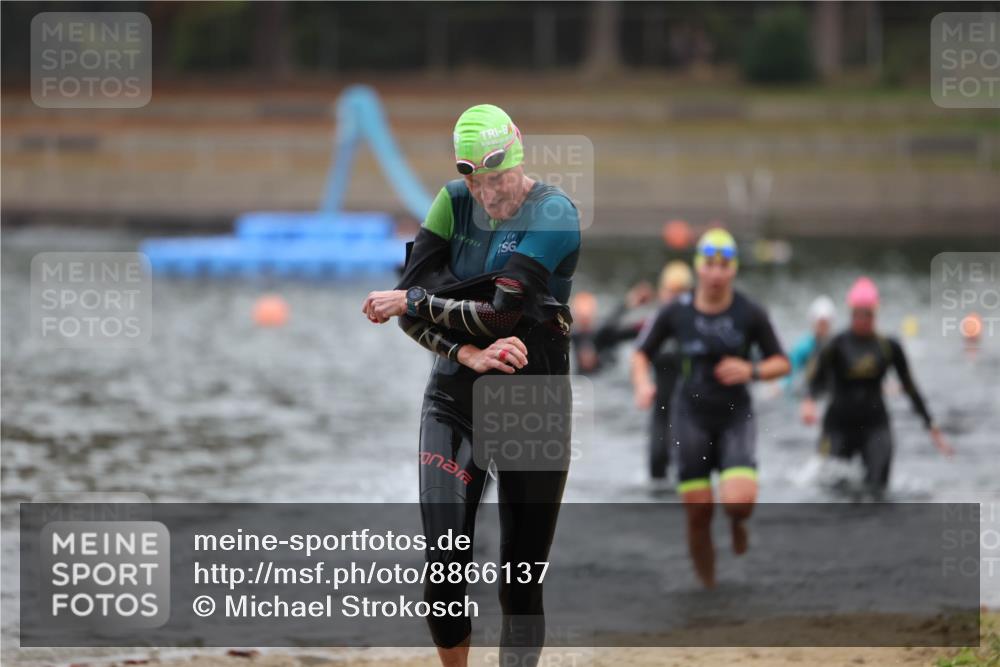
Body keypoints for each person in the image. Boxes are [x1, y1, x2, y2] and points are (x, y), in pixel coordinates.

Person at [361, 104, 580, 667]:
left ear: (520, 151)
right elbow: (413, 317)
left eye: (498, 178)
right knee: (443, 564)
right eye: (475, 182)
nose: (489, 195)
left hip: (535, 407)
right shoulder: (451, 203)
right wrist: (466, 351)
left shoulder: (553, 213)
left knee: (519, 584)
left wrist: (417, 297)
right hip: (456, 401)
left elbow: (501, 315)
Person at [631, 229, 789, 588]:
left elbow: (782, 362)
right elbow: (641, 352)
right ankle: (709, 589)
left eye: (724, 266)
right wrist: (643, 385)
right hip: (691, 415)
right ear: (698, 267)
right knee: (698, 513)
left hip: (735, 415)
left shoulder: (750, 312)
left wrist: (751, 370)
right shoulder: (676, 310)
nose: (716, 273)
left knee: (737, 502)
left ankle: (736, 522)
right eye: (710, 265)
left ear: (733, 270)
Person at [800, 277, 953, 496]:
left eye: (868, 313)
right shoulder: (835, 345)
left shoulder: (888, 347)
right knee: (831, 491)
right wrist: (808, 402)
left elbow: (910, 388)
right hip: (838, 427)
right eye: (858, 313)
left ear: (876, 312)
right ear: (850, 312)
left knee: (878, 491)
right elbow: (814, 381)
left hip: (875, 426)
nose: (863, 319)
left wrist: (932, 427)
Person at [569, 282, 653, 375]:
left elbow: (630, 331)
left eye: (586, 317)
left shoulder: (605, 336)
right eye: (581, 316)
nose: (584, 320)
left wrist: (651, 324)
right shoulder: (571, 337)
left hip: (606, 380)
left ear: (593, 314)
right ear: (575, 315)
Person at [783, 295, 836, 395]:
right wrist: (781, 387)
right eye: (820, 323)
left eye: (825, 323)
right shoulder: (804, 347)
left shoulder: (836, 346)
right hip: (807, 389)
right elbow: (789, 370)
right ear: (813, 322)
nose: (823, 327)